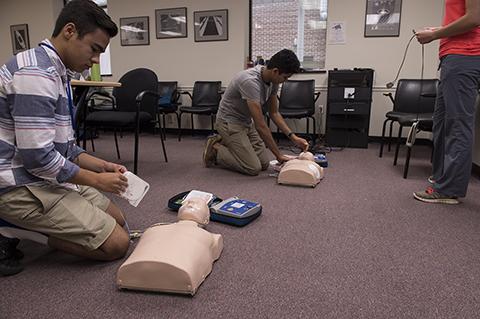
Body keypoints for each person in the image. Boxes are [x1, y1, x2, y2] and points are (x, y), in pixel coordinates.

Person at [0, 0, 130, 265]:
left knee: (119, 220)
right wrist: (96, 180)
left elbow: (66, 148)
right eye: (94, 49)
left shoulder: (58, 71)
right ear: (69, 31)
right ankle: (14, 230)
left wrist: (102, 165)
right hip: (17, 186)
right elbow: (39, 158)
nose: (95, 60)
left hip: (44, 177)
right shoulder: (35, 74)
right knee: (117, 245)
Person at [413, 0, 480, 204]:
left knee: (457, 125)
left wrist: (435, 34)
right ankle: (442, 177)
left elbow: (474, 18)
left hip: (465, 55)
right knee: (441, 123)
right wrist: (441, 30)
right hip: (452, 57)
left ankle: (449, 189)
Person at [203, 49, 309, 176]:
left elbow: (274, 113)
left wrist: (294, 137)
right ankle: (215, 148)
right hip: (229, 123)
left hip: (246, 123)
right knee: (253, 168)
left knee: (264, 164)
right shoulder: (250, 81)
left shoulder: (273, 81)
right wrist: (278, 155)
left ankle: (230, 143)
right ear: (275, 71)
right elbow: (260, 125)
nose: (285, 81)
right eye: (285, 77)